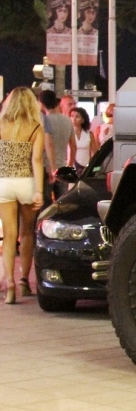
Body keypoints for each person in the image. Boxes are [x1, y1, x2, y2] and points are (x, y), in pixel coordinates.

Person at [0, 88, 45, 304]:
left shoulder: (1, 124)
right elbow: (37, 161)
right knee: (27, 233)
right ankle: (24, 282)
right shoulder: (36, 127)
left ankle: (9, 284)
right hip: (26, 182)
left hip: (4, 183)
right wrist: (39, 190)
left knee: (9, 236)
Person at [39, 90, 72, 202]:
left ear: (41, 104)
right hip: (62, 166)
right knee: (62, 202)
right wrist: (70, 164)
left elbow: (48, 144)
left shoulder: (43, 121)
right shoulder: (67, 121)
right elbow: (73, 146)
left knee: (46, 204)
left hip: (46, 167)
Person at [67, 107, 98, 173]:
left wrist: (95, 169)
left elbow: (95, 153)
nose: (74, 119)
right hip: (71, 167)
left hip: (85, 168)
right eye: (72, 116)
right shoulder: (67, 133)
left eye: (77, 116)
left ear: (83, 120)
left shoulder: (89, 134)